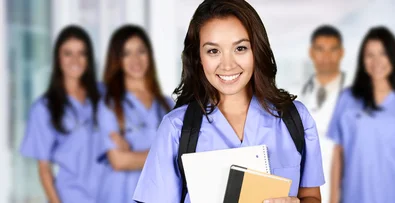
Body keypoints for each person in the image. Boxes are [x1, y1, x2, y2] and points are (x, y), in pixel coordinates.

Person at [132, 1, 325, 203]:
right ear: (198, 57)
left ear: (256, 50)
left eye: (240, 48)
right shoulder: (177, 129)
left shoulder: (295, 119)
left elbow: (311, 196)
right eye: (213, 51)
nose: (227, 65)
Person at [328, 27, 395, 203]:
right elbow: (338, 154)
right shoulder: (348, 99)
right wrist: (333, 200)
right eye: (370, 55)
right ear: (362, 60)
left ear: (394, 57)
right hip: (353, 197)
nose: (376, 61)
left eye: (383, 54)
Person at [20, 25, 103, 203]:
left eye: (82, 53)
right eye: (68, 53)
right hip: (72, 197)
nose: (75, 60)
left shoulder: (102, 95)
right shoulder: (44, 108)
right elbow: (44, 169)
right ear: (58, 58)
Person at [96, 25, 173, 203]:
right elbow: (119, 161)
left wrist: (134, 156)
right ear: (117, 60)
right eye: (126, 53)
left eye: (141, 51)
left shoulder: (168, 105)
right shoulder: (109, 104)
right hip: (120, 195)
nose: (135, 59)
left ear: (149, 55)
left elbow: (181, 155)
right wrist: (163, 154)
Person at [297, 25, 346, 203]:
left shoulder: (355, 98)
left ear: (341, 53)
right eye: (320, 49)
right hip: (305, 190)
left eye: (332, 50)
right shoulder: (296, 95)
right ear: (311, 52)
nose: (326, 57)